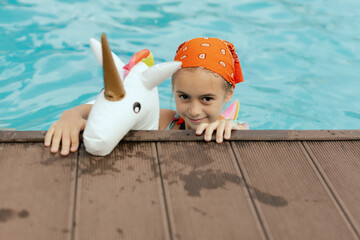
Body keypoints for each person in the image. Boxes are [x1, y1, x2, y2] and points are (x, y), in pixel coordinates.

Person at [44, 37, 248, 156]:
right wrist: (70, 116)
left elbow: (243, 132)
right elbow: (114, 111)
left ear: (229, 93)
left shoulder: (228, 127)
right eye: (184, 97)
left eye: (207, 99)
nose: (194, 111)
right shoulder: (166, 120)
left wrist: (229, 127)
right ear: (172, 87)